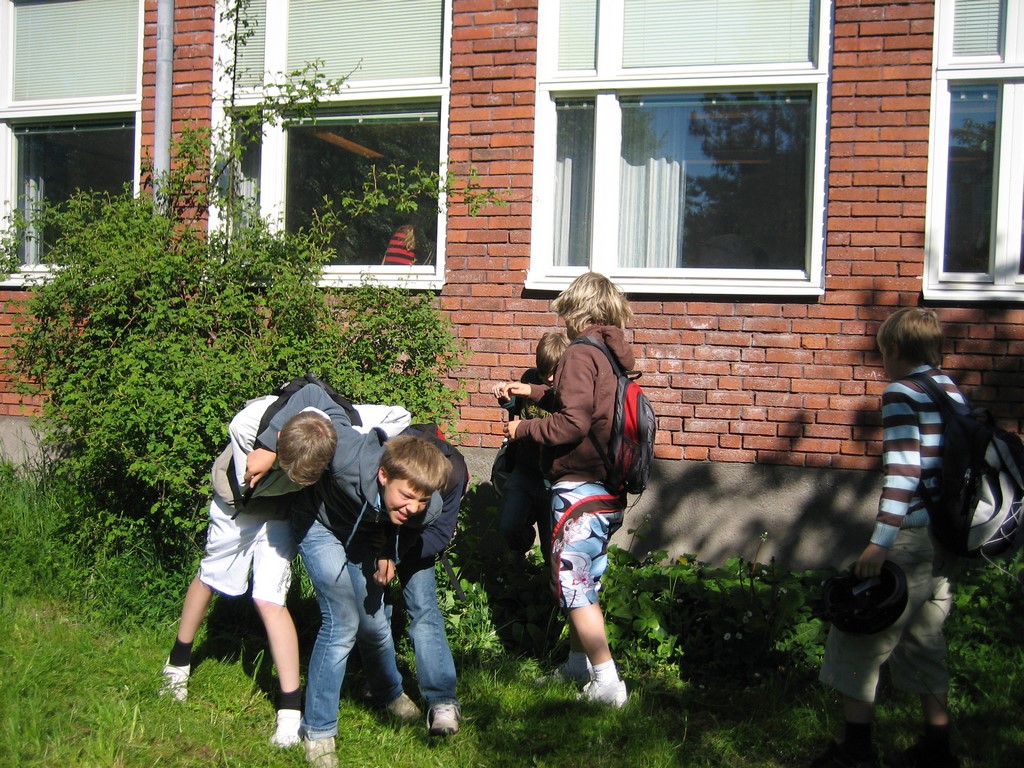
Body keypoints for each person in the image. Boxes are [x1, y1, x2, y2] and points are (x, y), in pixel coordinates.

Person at [248, 384, 451, 768]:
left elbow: (411, 524)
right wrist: (268, 446)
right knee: (341, 621)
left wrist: (389, 549)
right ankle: (319, 731)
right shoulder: (347, 454)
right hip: (318, 524)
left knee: (373, 620)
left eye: (421, 500)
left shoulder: (427, 506)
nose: (414, 507)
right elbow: (312, 393)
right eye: (407, 497)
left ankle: (388, 692)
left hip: (361, 534)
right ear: (383, 475)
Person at [811, 307, 964, 768]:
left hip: (911, 537)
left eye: (882, 352)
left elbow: (903, 473)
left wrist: (880, 542)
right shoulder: (948, 389)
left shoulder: (901, 392)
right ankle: (937, 750)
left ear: (894, 349)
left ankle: (856, 754)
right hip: (944, 538)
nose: (882, 363)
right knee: (923, 638)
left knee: (858, 637)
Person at [159, 394, 338, 748]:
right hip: (236, 507)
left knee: (270, 599)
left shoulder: (329, 431)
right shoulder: (246, 426)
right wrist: (268, 449)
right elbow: (248, 479)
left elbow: (315, 390)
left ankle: (290, 711)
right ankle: (177, 662)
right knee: (211, 576)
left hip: (281, 512)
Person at [494, 271, 634, 708]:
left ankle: (608, 683)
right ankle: (577, 665)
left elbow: (573, 423)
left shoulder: (579, 352)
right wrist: (535, 391)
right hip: (606, 486)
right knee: (583, 581)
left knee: (573, 584)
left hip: (578, 487)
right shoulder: (609, 354)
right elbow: (584, 407)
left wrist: (522, 429)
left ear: (579, 309)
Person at [357, 424, 469, 737]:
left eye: (425, 497)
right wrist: (379, 547)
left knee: (423, 610)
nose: (417, 502)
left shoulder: (454, 473)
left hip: (419, 541)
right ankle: (381, 681)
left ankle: (442, 700)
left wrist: (395, 553)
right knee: (372, 607)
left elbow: (440, 533)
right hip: (378, 530)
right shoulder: (393, 456)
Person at [490, 330, 569, 565]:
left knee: (551, 544)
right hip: (525, 468)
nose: (549, 378)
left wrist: (525, 427)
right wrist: (505, 396)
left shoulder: (571, 388)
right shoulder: (530, 377)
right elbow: (517, 406)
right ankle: (520, 550)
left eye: (554, 372)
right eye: (544, 373)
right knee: (509, 524)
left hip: (553, 477)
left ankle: (548, 583)